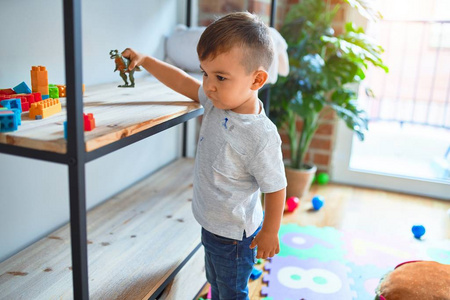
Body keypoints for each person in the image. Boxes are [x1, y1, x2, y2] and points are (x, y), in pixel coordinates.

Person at [122, 11, 287, 300]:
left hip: (236, 236)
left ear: (257, 79)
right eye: (205, 73)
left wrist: (270, 232)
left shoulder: (260, 135)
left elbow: (276, 186)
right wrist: (145, 60)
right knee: (214, 280)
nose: (209, 85)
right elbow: (182, 81)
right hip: (211, 224)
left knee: (231, 291)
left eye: (220, 77)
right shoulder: (217, 100)